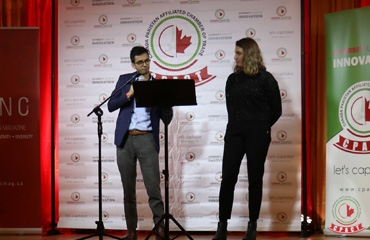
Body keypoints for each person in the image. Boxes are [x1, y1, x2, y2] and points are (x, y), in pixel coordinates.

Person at [212, 37, 282, 240]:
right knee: (228, 179)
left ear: (249, 54)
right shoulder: (232, 79)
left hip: (258, 132)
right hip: (235, 131)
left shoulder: (266, 79)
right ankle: (222, 226)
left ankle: (252, 227)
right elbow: (230, 109)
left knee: (254, 179)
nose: (235, 57)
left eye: (238, 53)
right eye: (235, 53)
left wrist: (261, 126)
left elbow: (276, 110)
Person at [108, 46, 172, 240]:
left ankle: (160, 228)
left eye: (146, 61)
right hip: (125, 139)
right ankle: (131, 231)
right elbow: (111, 105)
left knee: (153, 187)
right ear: (133, 64)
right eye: (140, 62)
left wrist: (167, 102)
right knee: (128, 189)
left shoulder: (157, 85)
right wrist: (129, 93)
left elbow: (166, 119)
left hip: (146, 138)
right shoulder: (124, 80)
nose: (144, 65)